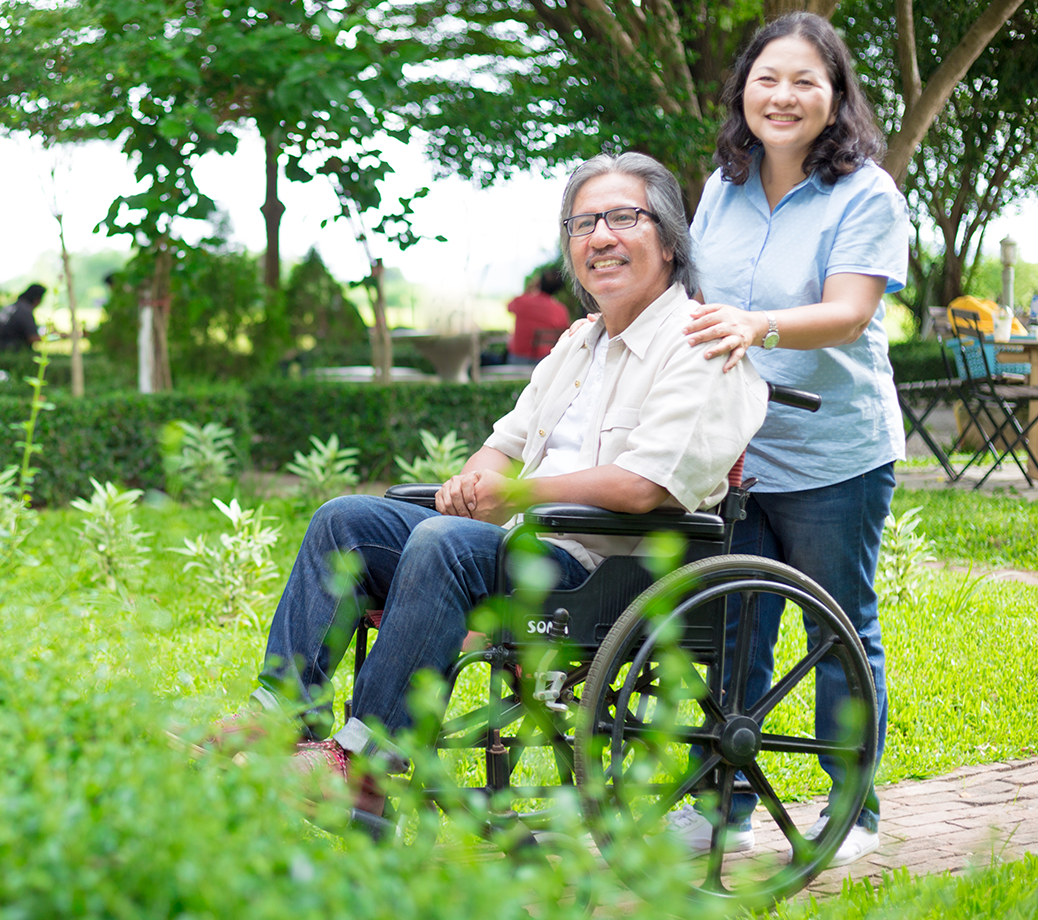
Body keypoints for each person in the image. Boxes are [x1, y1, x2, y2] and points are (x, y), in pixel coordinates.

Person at [215, 152, 769, 813]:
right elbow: (505, 446)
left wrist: (515, 497)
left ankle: (364, 763)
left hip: (609, 571)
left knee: (445, 543)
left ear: (670, 241)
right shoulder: (580, 343)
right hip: (523, 547)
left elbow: (645, 487)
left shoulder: (700, 343)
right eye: (583, 223)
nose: (600, 237)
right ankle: (283, 713)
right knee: (346, 522)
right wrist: (471, 484)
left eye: (624, 218)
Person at [666, 12, 909, 868]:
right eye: (768, 78)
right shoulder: (721, 188)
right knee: (734, 627)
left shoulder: (867, 194)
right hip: (735, 453)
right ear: (744, 90)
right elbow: (693, 302)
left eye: (806, 80)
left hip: (833, 453)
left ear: (836, 97)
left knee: (836, 628)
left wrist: (757, 325)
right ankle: (722, 807)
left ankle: (852, 811)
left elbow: (848, 312)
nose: (784, 95)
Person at [506, 268, 571, 364]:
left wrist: (528, 289)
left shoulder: (522, 302)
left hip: (519, 359)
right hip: (545, 360)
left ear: (539, 284)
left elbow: (509, 307)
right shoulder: (561, 310)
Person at [0, 283, 45, 352]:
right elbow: (32, 337)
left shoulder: (12, 307)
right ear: (37, 298)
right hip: (13, 350)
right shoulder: (25, 310)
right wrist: (53, 336)